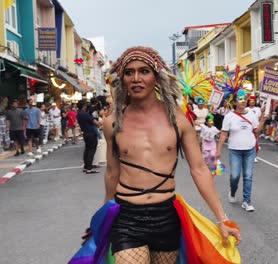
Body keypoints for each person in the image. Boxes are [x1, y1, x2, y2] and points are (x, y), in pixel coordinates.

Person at [102, 46, 240, 263]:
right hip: (127, 218)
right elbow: (112, 174)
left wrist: (222, 218)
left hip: (165, 216)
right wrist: (104, 219)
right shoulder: (112, 123)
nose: (136, 78)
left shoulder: (177, 119)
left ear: (156, 78)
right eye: (129, 72)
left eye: (144, 71)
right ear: (123, 79)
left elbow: (199, 169)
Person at [216, 90, 267, 212]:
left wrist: (263, 120)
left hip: (249, 149)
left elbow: (256, 130)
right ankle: (233, 191)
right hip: (235, 150)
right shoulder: (229, 117)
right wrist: (218, 150)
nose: (243, 101)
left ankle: (246, 201)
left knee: (248, 176)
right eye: (240, 99)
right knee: (235, 176)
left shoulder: (251, 115)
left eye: (244, 99)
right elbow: (223, 134)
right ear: (234, 102)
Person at [77, 100, 100, 174]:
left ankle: (86, 166)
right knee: (91, 150)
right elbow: (95, 122)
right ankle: (89, 168)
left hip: (85, 133)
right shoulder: (85, 114)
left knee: (87, 150)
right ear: (84, 106)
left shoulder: (79, 114)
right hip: (91, 133)